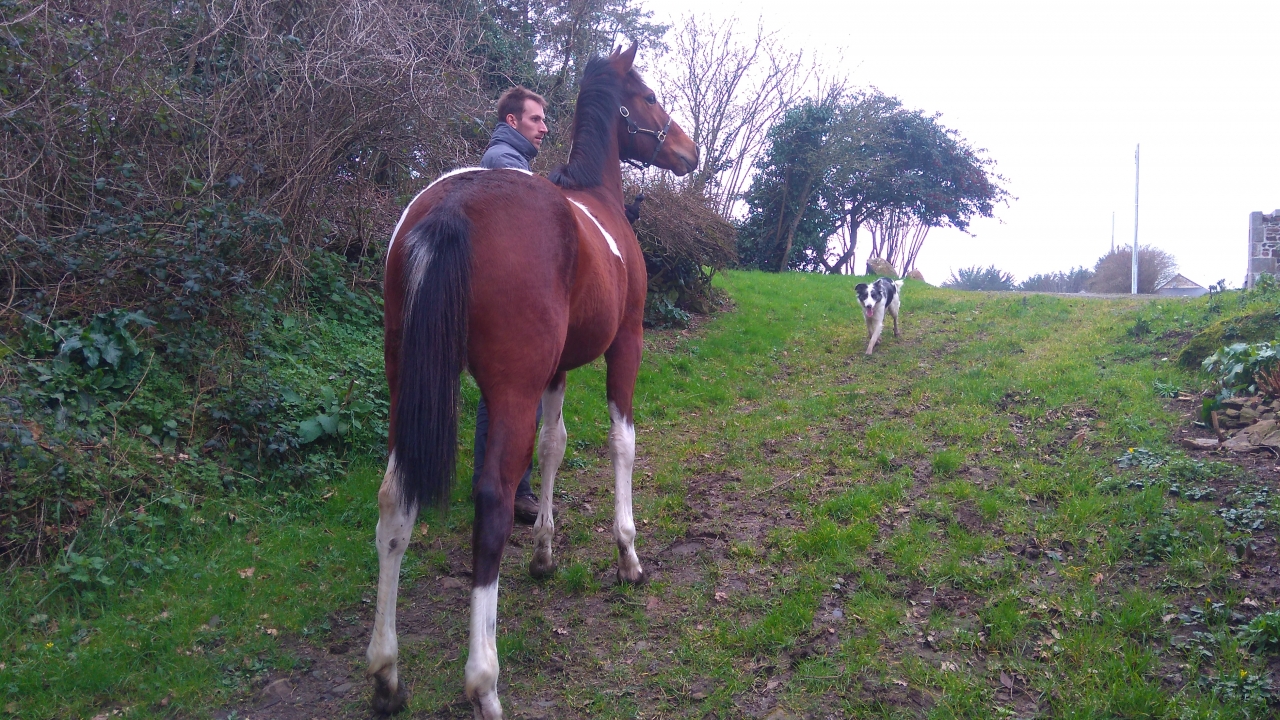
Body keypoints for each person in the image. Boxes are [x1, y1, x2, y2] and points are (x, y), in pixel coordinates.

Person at [476, 87, 548, 524]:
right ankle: (511, 489)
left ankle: (496, 483)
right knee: (516, 395)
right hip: (508, 302)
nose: (544, 127)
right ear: (512, 121)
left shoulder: (513, 160)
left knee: (500, 396)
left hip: (504, 295)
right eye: (536, 119)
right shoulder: (504, 161)